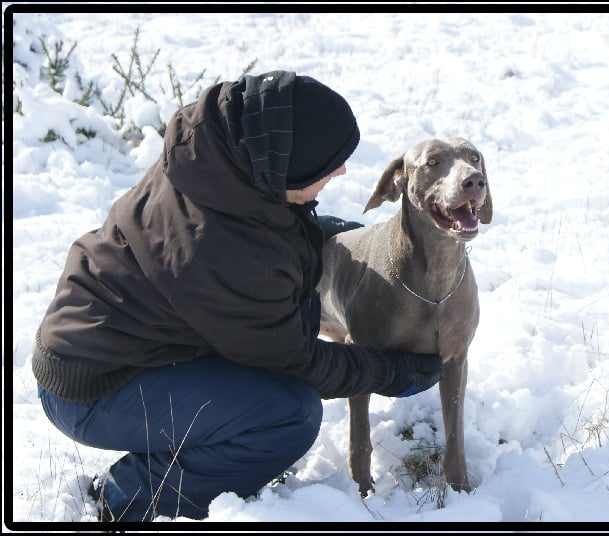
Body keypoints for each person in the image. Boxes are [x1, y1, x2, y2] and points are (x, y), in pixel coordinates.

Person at [31, 70, 443, 522]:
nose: (341, 171)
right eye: (327, 165)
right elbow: (296, 360)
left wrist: (327, 238)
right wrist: (386, 371)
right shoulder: (221, 251)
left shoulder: (213, 151)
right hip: (94, 389)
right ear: (284, 167)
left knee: (286, 333)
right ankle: (122, 499)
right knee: (288, 415)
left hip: (107, 336)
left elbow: (265, 229)